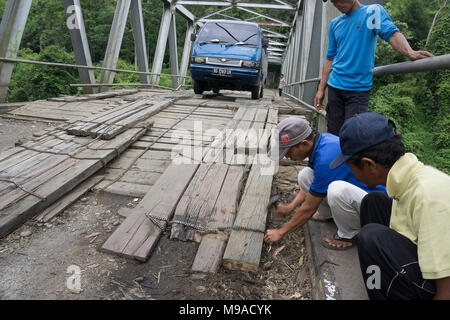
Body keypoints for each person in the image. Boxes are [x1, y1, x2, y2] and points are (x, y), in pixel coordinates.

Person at [329, 112, 450, 300]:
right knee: (373, 202)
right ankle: (377, 287)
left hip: (441, 285)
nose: (349, 171)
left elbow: (446, 290)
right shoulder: (409, 180)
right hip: (421, 260)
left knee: (370, 236)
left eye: (349, 165)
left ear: (369, 165)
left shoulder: (429, 196)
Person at [264, 116, 385, 249]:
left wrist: (280, 232)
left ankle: (348, 234)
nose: (287, 156)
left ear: (304, 144)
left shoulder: (326, 159)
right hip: (358, 197)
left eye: (289, 151)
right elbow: (316, 185)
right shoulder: (322, 142)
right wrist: (290, 207)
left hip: (376, 207)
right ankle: (327, 214)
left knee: (336, 190)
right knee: (305, 175)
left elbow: (309, 208)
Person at [314, 0, 434, 135]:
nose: (337, 4)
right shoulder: (335, 24)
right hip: (335, 87)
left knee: (354, 135)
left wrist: (410, 52)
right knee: (333, 132)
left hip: (358, 90)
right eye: (333, 1)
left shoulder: (371, 12)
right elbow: (330, 58)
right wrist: (320, 89)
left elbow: (391, 33)